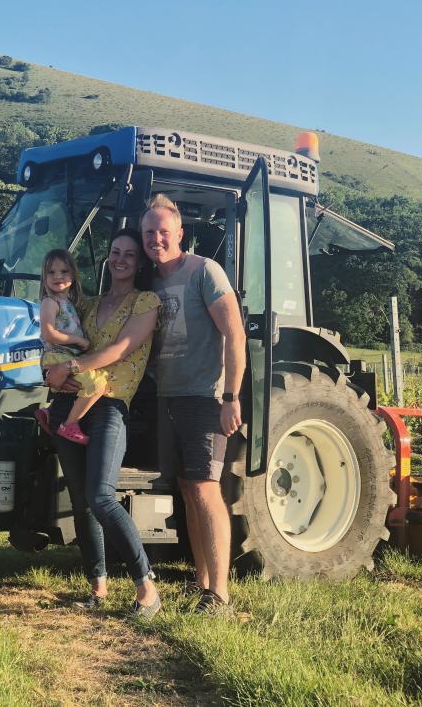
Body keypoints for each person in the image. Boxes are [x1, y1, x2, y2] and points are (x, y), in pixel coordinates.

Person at [43, 229, 162, 618]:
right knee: (81, 502)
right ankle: (99, 586)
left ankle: (146, 587)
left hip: (109, 405)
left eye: (130, 253)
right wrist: (52, 373)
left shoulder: (146, 302)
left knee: (101, 495)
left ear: (140, 262)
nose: (122, 259)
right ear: (107, 259)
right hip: (69, 404)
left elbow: (118, 350)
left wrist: (69, 367)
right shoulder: (88, 305)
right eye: (115, 252)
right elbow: (58, 337)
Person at [142, 193, 246, 612]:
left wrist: (231, 397)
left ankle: (219, 593)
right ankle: (201, 582)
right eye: (149, 232)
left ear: (179, 233)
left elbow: (235, 333)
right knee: (187, 488)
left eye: (163, 232)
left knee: (205, 488)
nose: (156, 239)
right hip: (167, 396)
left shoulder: (205, 271)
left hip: (204, 397)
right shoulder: (152, 282)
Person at [34, 249, 108, 445]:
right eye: (51, 272)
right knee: (98, 384)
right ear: (44, 277)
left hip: (64, 356)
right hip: (58, 355)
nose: (58, 276)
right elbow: (49, 333)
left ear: (73, 275)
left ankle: (49, 412)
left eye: (64, 271)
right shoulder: (50, 303)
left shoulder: (69, 303)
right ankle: (70, 425)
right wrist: (78, 341)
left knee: (82, 384)